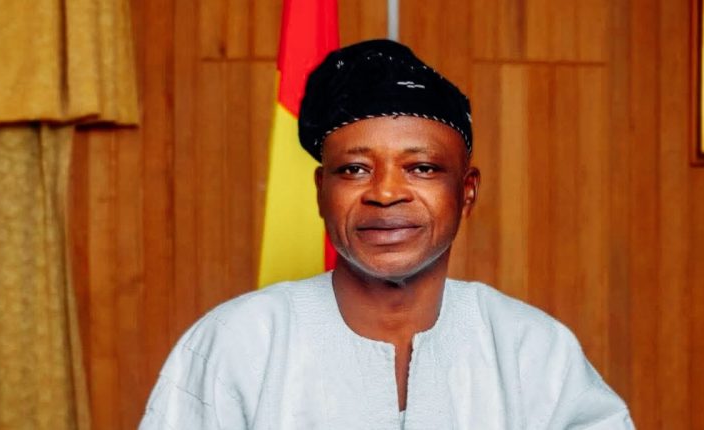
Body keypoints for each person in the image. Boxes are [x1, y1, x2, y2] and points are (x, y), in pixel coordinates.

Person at [139, 39, 634, 429]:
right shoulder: (240, 343)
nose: (385, 193)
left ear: (466, 191)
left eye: (421, 168)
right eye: (354, 170)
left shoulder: (533, 351)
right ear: (321, 191)